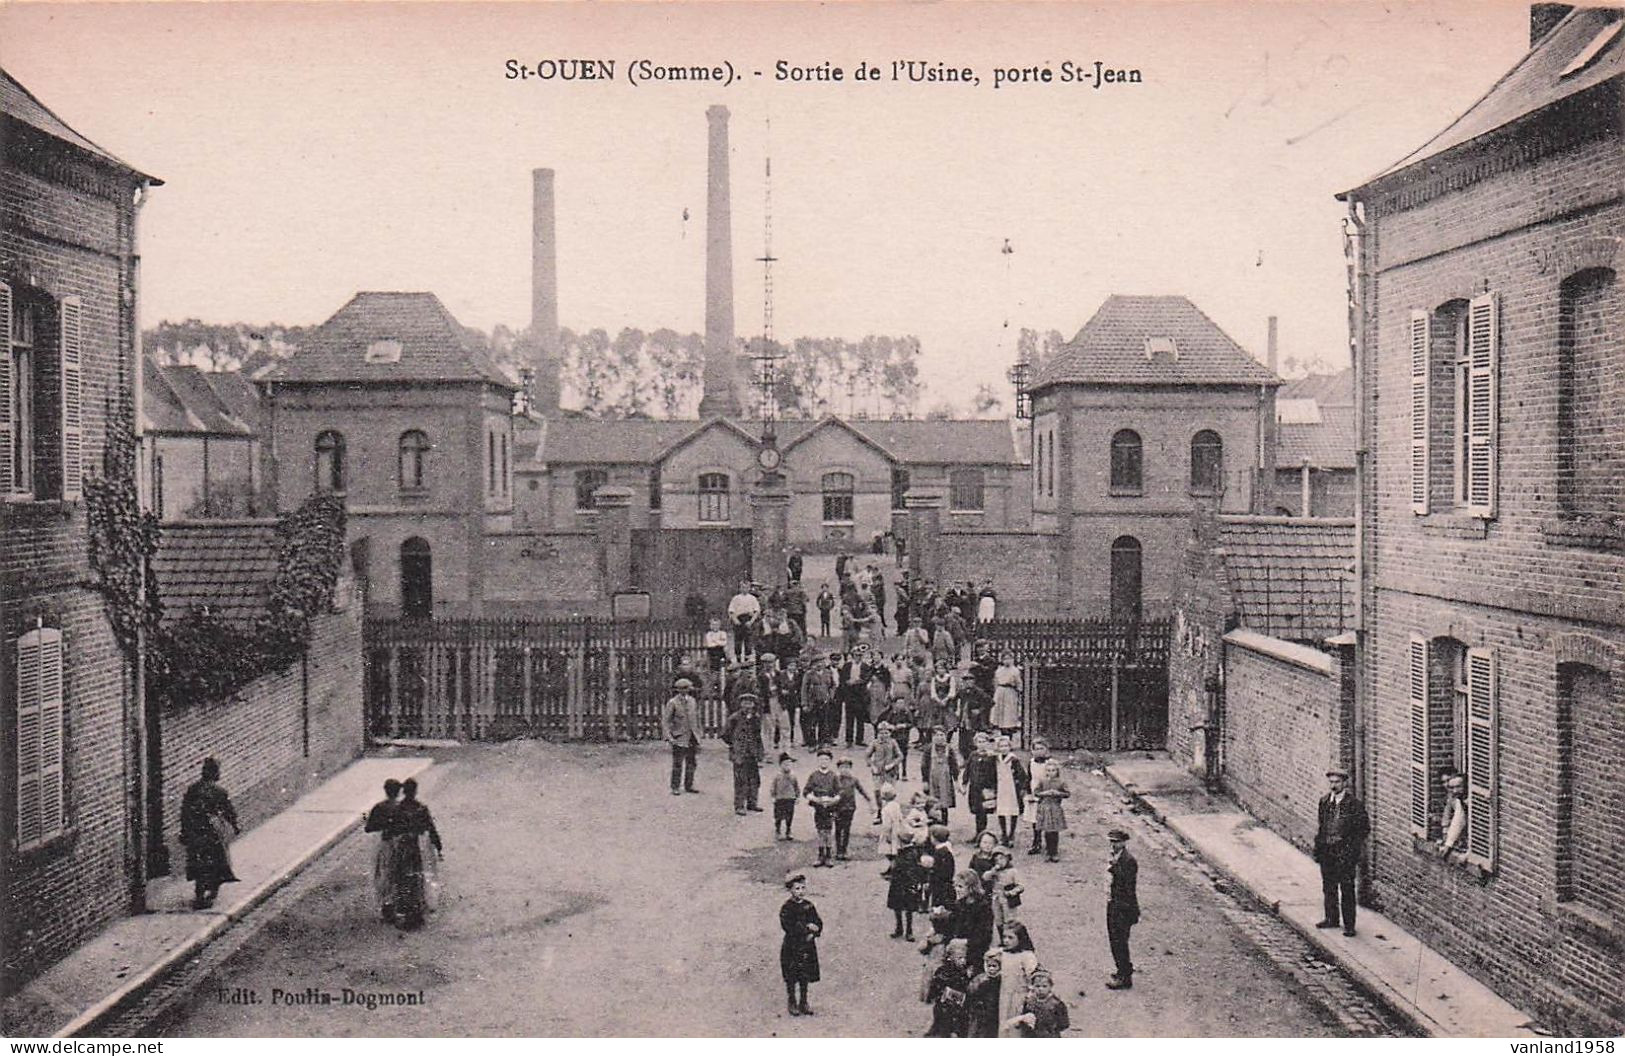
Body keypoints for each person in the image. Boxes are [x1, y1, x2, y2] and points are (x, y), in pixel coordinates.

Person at [1313, 767, 1369, 937]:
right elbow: (1322, 827)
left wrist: (1351, 850)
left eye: (1337, 782)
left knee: (1347, 889)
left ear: (1345, 783)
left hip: (1344, 854)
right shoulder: (1324, 802)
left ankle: (1349, 925)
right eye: (1331, 782)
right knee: (1328, 887)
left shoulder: (1354, 805)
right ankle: (1331, 918)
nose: (1333, 786)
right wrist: (1319, 848)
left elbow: (1363, 829)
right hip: (1328, 851)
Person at [180, 758, 240, 909]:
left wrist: (184, 830)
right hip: (212, 830)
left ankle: (200, 890)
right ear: (214, 773)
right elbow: (229, 811)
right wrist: (235, 826)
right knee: (219, 858)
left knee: (197, 859)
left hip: (195, 829)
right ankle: (212, 891)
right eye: (218, 771)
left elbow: (185, 811)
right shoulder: (219, 791)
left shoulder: (192, 789)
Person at [391, 777, 442, 930]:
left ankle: (405, 910)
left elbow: (392, 828)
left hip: (402, 846)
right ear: (415, 791)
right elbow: (431, 828)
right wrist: (438, 846)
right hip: (416, 847)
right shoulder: (421, 808)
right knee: (417, 876)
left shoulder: (398, 809)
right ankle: (417, 910)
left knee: (402, 877)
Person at [780, 871, 822, 1016]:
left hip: (807, 946)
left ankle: (804, 1001)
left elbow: (817, 921)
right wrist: (806, 929)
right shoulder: (787, 908)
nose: (800, 891)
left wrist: (816, 930)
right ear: (790, 890)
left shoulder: (809, 906)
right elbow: (788, 926)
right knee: (792, 974)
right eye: (797, 888)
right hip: (792, 946)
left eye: (803, 888)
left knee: (805, 974)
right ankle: (792, 1000)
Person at [1105, 829, 1140, 989]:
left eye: (1116, 842)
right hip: (1114, 903)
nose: (1113, 845)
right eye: (1111, 841)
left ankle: (1125, 976)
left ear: (1124, 842)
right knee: (1114, 941)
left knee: (1120, 942)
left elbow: (1128, 887)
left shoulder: (1128, 861)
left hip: (1122, 907)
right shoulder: (1116, 857)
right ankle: (1121, 970)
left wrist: (1113, 867)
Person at [363, 778, 402, 922]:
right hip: (401, 843)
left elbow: (369, 828)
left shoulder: (379, 808)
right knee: (399, 872)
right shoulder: (402, 807)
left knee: (385, 872)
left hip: (385, 843)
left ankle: (387, 906)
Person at [888, 810, 930, 938]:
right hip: (901, 882)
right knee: (904, 908)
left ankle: (905, 929)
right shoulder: (906, 853)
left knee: (904, 907)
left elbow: (916, 869)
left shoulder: (909, 854)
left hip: (906, 883)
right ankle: (903, 929)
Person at [723, 692, 765, 816]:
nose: (747, 706)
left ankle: (752, 802)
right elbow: (726, 734)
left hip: (752, 753)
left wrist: (759, 752)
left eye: (750, 703)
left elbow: (758, 736)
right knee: (740, 780)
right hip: (739, 754)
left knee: (754, 779)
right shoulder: (734, 718)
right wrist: (735, 744)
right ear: (740, 704)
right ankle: (739, 805)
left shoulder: (756, 718)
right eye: (745, 703)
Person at [995, 923, 1040, 1037]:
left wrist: (1030, 997)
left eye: (1010, 938)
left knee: (1016, 1029)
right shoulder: (1002, 954)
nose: (1006, 941)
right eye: (1004, 937)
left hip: (1019, 998)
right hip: (1004, 996)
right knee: (1003, 1027)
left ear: (1020, 938)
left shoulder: (1027, 956)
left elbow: (1034, 978)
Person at [662, 677, 702, 795]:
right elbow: (665, 721)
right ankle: (675, 786)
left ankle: (689, 785)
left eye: (687, 688)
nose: (685, 691)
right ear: (678, 690)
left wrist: (699, 734)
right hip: (679, 736)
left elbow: (696, 718)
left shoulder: (692, 701)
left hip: (692, 736)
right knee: (678, 763)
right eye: (682, 689)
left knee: (691, 762)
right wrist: (669, 737)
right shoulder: (673, 703)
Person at [925, 938, 971, 1037]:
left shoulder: (964, 972)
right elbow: (935, 986)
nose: (963, 961)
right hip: (944, 1006)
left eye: (964, 958)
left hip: (957, 1006)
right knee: (943, 1022)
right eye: (959, 958)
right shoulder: (943, 971)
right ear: (950, 957)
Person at [804, 749, 841, 867]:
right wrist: (815, 799)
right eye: (821, 759)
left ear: (830, 761)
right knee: (820, 831)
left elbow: (839, 792)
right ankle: (820, 855)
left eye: (826, 759)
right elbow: (806, 791)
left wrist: (832, 800)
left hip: (830, 807)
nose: (824, 761)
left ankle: (829, 856)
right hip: (819, 807)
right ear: (818, 761)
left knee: (828, 831)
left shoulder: (833, 776)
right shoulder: (813, 775)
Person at [992, 735, 1030, 847]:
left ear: (1010, 747)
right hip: (1000, 788)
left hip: (1012, 789)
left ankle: (1011, 833)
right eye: (1001, 746)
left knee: (1013, 810)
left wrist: (1022, 788)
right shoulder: (996, 759)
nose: (1004, 748)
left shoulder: (1014, 760)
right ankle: (1004, 834)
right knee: (1001, 811)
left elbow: (1022, 775)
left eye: (1006, 746)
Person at [1009, 967, 1069, 1037]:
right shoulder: (1028, 1002)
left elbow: (1064, 1024)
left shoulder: (1057, 1004)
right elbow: (1021, 1020)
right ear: (1032, 986)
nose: (1040, 989)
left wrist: (1052, 1027)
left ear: (1050, 986)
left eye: (1044, 986)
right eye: (1037, 986)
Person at [832, 757, 872, 860]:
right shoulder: (835, 779)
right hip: (837, 808)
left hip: (850, 808)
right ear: (838, 768)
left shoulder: (854, 779)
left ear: (850, 768)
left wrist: (869, 800)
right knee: (838, 829)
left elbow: (861, 790)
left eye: (847, 767)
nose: (844, 769)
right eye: (842, 767)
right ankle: (838, 850)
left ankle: (844, 850)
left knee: (846, 829)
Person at [1031, 760, 1070, 862]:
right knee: (1047, 831)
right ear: (1045, 771)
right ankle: (1048, 851)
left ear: (1057, 771)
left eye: (1053, 770)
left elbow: (1067, 794)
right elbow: (1036, 792)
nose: (1051, 772)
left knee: (1054, 831)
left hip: (1055, 808)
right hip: (1045, 807)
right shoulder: (1043, 781)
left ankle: (1054, 852)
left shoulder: (1061, 782)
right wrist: (1045, 793)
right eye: (1048, 770)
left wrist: (1058, 793)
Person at [866, 724, 902, 823]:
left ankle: (890, 814)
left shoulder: (893, 743)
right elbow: (867, 755)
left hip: (890, 772)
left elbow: (900, 756)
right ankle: (879, 812)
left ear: (890, 733)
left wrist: (892, 764)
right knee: (877, 792)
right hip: (878, 772)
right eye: (881, 733)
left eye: (886, 733)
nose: (884, 735)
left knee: (889, 792)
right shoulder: (875, 743)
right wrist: (872, 766)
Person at [1022, 738, 1052, 854]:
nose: (1039, 751)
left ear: (1046, 750)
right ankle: (1036, 842)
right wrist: (1029, 793)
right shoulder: (1031, 763)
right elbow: (1029, 778)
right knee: (1035, 819)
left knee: (1048, 819)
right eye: (1036, 749)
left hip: (1047, 792)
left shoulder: (1050, 763)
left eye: (1041, 748)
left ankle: (1050, 845)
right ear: (1032, 751)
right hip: (1035, 792)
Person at [965, 732, 998, 837]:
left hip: (986, 788)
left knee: (983, 812)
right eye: (979, 742)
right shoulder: (973, 755)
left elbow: (995, 772)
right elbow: (968, 769)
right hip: (974, 788)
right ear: (975, 743)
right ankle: (977, 833)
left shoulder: (991, 756)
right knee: (976, 810)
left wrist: (994, 788)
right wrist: (964, 782)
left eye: (984, 742)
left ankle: (982, 834)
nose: (982, 744)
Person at [800, 652, 837, 747]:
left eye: (822, 662)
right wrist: (804, 703)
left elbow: (833, 685)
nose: (820, 664)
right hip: (813, 702)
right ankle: (812, 743)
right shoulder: (809, 674)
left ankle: (822, 742)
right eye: (817, 662)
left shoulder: (828, 673)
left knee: (823, 723)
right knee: (812, 723)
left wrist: (830, 696)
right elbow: (804, 689)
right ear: (813, 664)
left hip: (824, 701)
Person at [965, 951, 1003, 1038]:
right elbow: (970, 990)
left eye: (994, 966)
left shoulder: (1001, 980)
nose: (991, 969)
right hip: (980, 1011)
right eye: (989, 966)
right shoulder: (980, 978)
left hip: (994, 1012)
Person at [728, 581, 762, 660]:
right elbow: (731, 610)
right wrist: (735, 620)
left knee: (748, 640)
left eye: (746, 587)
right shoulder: (736, 598)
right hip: (738, 620)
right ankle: (738, 658)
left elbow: (756, 611)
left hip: (748, 620)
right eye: (743, 587)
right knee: (738, 640)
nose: (744, 589)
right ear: (740, 588)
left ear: (749, 588)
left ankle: (747, 659)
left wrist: (751, 621)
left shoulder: (752, 598)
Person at [991, 652, 1022, 736]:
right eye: (1005, 659)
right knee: (1000, 714)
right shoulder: (999, 670)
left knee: (1009, 714)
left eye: (1009, 659)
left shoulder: (1015, 670)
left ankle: (1009, 733)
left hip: (1010, 692)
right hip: (1000, 691)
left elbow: (1019, 683)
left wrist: (1018, 690)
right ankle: (1002, 733)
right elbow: (995, 682)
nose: (1007, 661)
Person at [772, 753, 801, 841]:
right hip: (780, 799)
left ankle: (788, 830)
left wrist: (797, 797)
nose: (787, 766)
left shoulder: (793, 776)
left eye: (789, 764)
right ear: (780, 765)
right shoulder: (777, 776)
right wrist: (773, 797)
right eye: (785, 764)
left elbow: (796, 787)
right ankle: (778, 830)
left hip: (790, 798)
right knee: (778, 816)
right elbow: (773, 787)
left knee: (789, 816)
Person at [1438, 772, 1468, 857]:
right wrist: (1448, 842)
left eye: (1458, 787)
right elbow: (1456, 820)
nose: (1455, 791)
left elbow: (1460, 820)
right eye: (1452, 788)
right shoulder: (1458, 800)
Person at [703, 617, 730, 698]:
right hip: (712, 654)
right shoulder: (708, 634)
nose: (715, 626)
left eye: (717, 625)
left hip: (721, 653)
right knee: (713, 673)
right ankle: (713, 691)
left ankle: (722, 690)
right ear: (710, 626)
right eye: (713, 625)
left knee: (722, 672)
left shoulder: (723, 633)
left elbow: (724, 643)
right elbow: (709, 644)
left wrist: (715, 641)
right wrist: (718, 642)